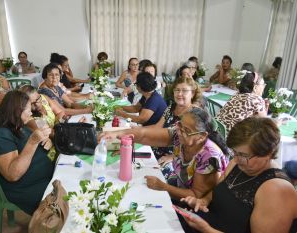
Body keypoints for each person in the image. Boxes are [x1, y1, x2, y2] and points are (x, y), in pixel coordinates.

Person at [181, 117, 297, 233]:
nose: (236, 159)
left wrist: (206, 229)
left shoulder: (278, 191)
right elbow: (218, 190)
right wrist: (203, 201)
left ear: (268, 154)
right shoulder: (240, 164)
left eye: (243, 155)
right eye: (234, 152)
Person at [101, 108, 229, 200]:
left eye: (186, 130)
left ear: (202, 136)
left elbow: (197, 195)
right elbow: (145, 135)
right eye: (179, 125)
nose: (179, 131)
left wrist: (163, 187)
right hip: (179, 185)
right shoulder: (180, 134)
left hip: (194, 204)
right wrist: (118, 133)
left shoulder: (209, 156)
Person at [0, 90, 54, 215]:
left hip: (45, 178)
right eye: (28, 109)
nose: (31, 112)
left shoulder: (18, 126)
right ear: (17, 111)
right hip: (27, 189)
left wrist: (48, 142)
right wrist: (32, 142)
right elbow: (12, 174)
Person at [151, 76, 203, 160]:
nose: (179, 94)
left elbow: (197, 146)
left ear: (193, 94)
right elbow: (158, 127)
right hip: (159, 147)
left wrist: (173, 157)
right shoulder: (172, 107)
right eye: (177, 90)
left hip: (179, 157)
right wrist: (137, 129)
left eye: (184, 91)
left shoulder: (195, 114)